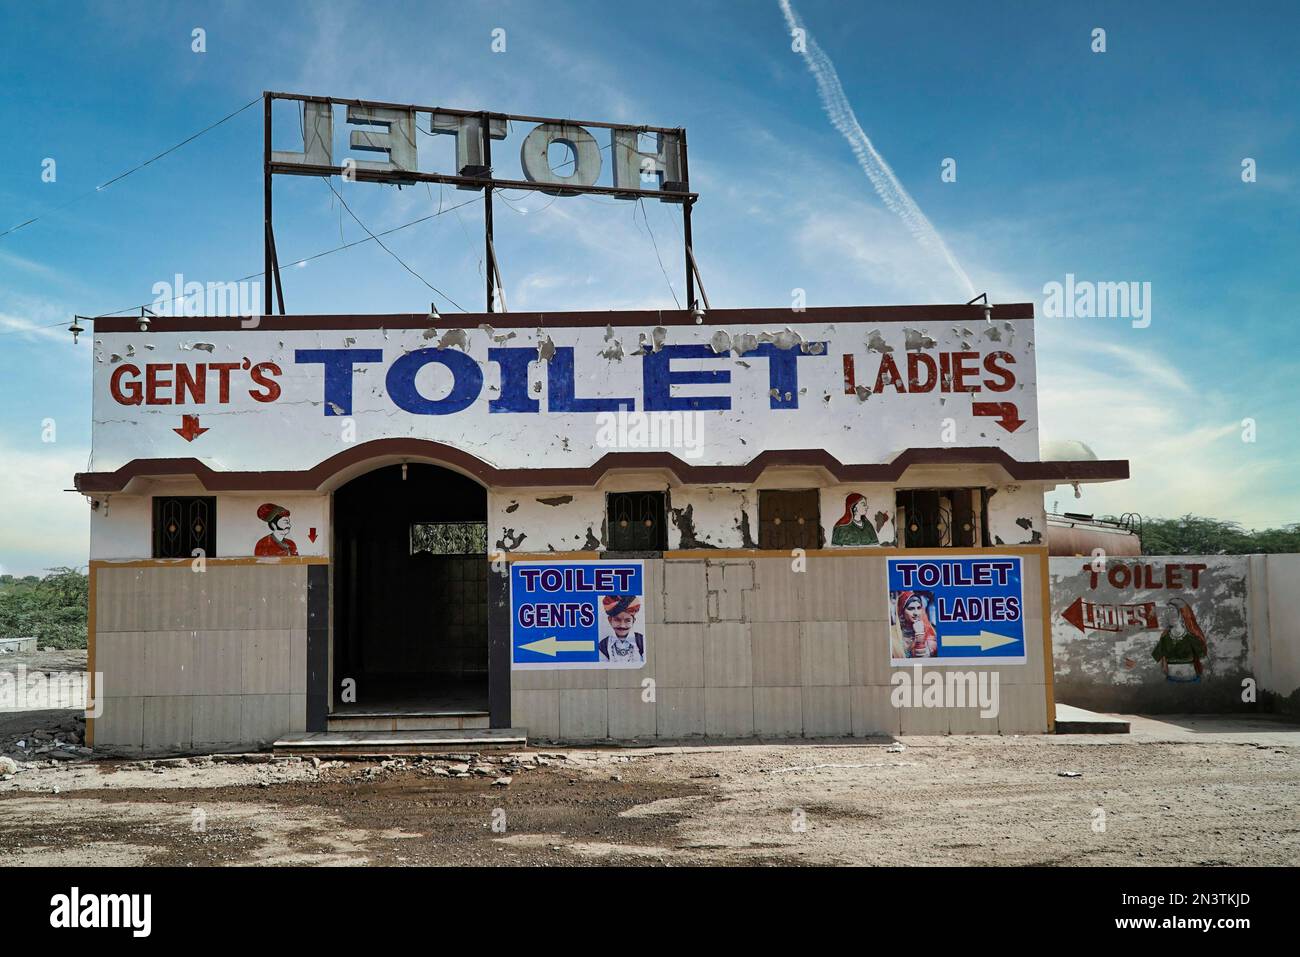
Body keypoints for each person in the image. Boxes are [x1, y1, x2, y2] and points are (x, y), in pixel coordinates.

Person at [1151, 597, 1208, 682]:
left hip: (1192, 682)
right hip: (1171, 683)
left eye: (1172, 610)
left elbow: (1204, 659)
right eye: (1167, 611)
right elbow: (1155, 658)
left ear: (1181, 614)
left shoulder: (1191, 637)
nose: (1169, 614)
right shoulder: (1165, 638)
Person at [599, 595, 644, 664]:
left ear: (633, 621)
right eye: (617, 620)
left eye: (627, 620)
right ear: (610, 620)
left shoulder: (642, 641)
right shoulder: (603, 646)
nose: (622, 625)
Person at [895, 591, 937, 658]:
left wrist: (920, 636)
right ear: (901, 611)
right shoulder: (894, 634)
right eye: (911, 609)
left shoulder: (928, 632)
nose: (916, 613)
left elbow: (921, 663)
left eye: (919, 608)